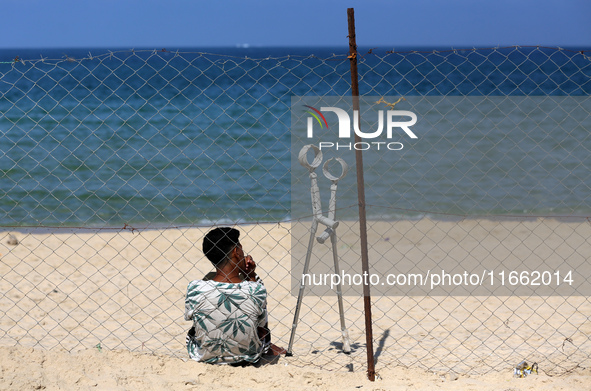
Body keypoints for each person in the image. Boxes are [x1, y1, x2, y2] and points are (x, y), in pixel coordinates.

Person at [184, 227, 285, 364]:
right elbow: (260, 325)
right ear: (236, 251)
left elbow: (192, 319)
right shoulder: (256, 288)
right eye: (241, 248)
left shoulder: (194, 288)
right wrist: (251, 275)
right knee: (257, 304)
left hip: (206, 356)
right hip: (249, 356)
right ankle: (268, 347)